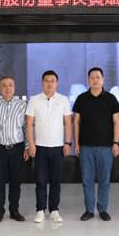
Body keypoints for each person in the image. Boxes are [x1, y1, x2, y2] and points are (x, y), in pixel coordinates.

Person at [73, 67, 119, 221]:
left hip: (106, 147)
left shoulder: (111, 99)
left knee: (104, 180)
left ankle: (102, 209)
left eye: (98, 77)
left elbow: (117, 122)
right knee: (87, 180)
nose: (95, 80)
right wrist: (76, 143)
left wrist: (116, 143)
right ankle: (89, 210)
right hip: (85, 146)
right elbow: (76, 122)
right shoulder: (81, 99)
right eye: (92, 77)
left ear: (103, 79)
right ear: (88, 80)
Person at [26, 70, 72, 223]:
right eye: (47, 81)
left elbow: (68, 123)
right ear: (42, 82)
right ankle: (40, 210)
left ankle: (54, 210)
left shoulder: (63, 100)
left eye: (52, 81)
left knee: (55, 180)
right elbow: (29, 124)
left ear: (57, 83)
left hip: (58, 147)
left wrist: (68, 143)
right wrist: (31, 144)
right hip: (39, 147)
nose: (50, 84)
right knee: (40, 180)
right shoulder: (34, 100)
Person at [0, 76, 28, 223]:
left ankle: (14, 211)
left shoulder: (22, 105)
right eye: (4, 85)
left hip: (17, 148)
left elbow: (26, 128)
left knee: (16, 182)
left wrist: (27, 147)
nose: (7, 88)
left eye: (10, 85)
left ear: (14, 87)